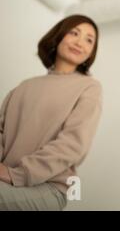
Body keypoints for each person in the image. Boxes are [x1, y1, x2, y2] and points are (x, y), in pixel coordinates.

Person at [0, 15, 103, 211]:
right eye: (74, 33)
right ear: (58, 37)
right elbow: (1, 131)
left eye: (89, 40)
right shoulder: (24, 87)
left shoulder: (89, 87)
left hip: (48, 187)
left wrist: (17, 174)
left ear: (91, 53)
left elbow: (73, 146)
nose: (80, 42)